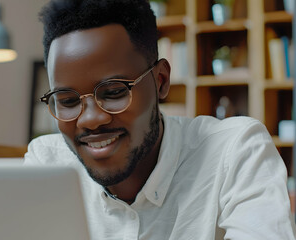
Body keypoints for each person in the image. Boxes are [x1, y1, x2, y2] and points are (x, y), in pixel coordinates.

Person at [24, 0, 296, 239]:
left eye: (114, 92)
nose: (92, 119)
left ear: (160, 81)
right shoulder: (47, 163)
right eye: (68, 101)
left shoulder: (236, 151)